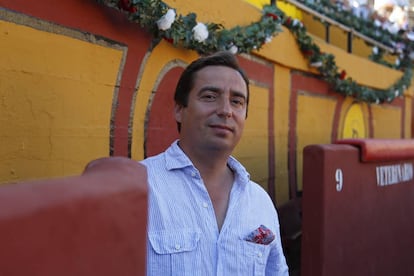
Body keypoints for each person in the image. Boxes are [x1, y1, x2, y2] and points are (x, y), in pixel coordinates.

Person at [141, 51, 288, 275]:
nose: (226, 111)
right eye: (210, 96)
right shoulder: (140, 185)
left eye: (237, 101)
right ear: (179, 110)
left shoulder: (259, 201)